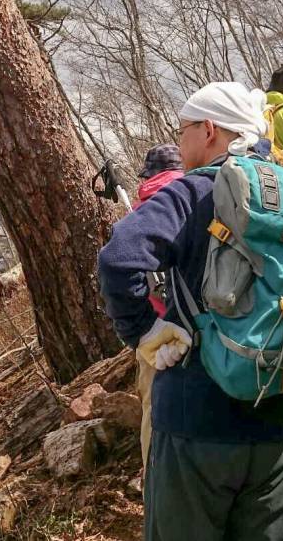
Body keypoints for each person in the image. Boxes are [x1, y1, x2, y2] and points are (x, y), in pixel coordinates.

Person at [98, 82, 283, 541]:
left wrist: (145, 331)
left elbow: (120, 257)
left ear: (208, 130)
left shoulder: (194, 193)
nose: (180, 144)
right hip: (277, 422)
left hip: (194, 421)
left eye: (182, 130)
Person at [132, 143, 184, 467]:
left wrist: (138, 327)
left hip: (157, 324)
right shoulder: (204, 194)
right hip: (203, 321)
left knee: (153, 407)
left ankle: (154, 479)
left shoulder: (141, 209)